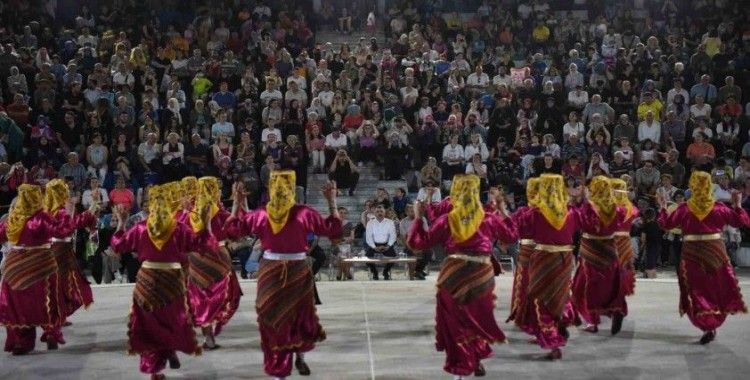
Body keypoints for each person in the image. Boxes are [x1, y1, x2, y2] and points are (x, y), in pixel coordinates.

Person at [226, 171, 342, 379]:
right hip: (285, 268)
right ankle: (286, 363)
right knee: (283, 315)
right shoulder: (301, 213)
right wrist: (331, 202)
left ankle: (294, 359)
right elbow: (332, 230)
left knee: (288, 315)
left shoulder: (265, 214)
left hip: (283, 269)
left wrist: (237, 204)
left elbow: (234, 229)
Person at [408, 174, 517, 379]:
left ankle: (462, 365)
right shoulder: (488, 217)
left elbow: (419, 243)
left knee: (457, 319)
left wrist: (417, 217)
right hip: (481, 274)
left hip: (454, 272)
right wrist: (503, 210)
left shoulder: (447, 219)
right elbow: (511, 236)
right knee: (476, 316)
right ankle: (474, 357)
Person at [110, 185, 216, 379]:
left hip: (147, 279)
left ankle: (155, 369)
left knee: (148, 323)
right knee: (171, 320)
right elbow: (204, 244)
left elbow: (117, 246)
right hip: (172, 280)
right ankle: (169, 350)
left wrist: (121, 224)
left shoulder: (140, 228)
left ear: (151, 206)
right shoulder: (179, 228)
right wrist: (206, 222)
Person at [656, 171, 749, 345]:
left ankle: (707, 324)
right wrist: (737, 205)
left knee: (696, 288)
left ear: (692, 186)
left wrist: (662, 207)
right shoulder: (719, 207)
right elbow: (740, 222)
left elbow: (666, 224)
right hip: (715, 251)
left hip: (692, 252)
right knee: (717, 286)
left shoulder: (684, 208)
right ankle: (714, 319)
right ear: (709, 186)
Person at [0, 184, 78, 354]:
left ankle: (21, 341)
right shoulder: (42, 217)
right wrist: (69, 213)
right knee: (46, 301)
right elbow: (62, 232)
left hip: (15, 267)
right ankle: (51, 332)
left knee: (18, 305)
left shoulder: (13, 218)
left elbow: (1, 235)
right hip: (41, 264)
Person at [516, 174, 585, 360]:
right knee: (561, 295)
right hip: (565, 258)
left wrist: (501, 210)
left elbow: (516, 228)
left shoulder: (536, 212)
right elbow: (586, 222)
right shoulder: (571, 211)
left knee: (539, 299)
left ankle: (553, 340)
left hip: (543, 259)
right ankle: (562, 320)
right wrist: (580, 199)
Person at [179, 177, 242, 350]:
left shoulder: (192, 215)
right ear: (214, 191)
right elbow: (235, 233)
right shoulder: (220, 213)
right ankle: (213, 326)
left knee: (200, 297)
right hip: (219, 257)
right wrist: (236, 207)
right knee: (224, 295)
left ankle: (208, 336)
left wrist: (185, 211)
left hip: (197, 259)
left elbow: (181, 236)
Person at [571, 176, 628, 335]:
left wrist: (575, 204)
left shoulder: (589, 208)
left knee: (582, 288)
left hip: (590, 251)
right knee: (610, 286)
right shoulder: (617, 208)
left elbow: (581, 223)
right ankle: (615, 310)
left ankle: (592, 321)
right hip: (609, 250)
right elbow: (622, 219)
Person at [44, 179, 97, 327]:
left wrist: (92, 204)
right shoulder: (61, 211)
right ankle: (56, 318)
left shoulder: (47, 211)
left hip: (55, 250)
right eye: (65, 191)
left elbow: (78, 221)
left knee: (58, 283)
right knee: (61, 284)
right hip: (60, 250)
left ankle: (57, 316)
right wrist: (90, 205)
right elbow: (75, 224)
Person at [507, 177, 540, 336]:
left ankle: (524, 314)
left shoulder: (522, 212)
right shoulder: (547, 213)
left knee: (525, 280)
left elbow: (510, 229)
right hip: (541, 252)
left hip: (527, 250)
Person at [610, 178, 640, 297]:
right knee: (621, 265)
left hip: (612, 240)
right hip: (624, 240)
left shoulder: (611, 207)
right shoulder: (632, 208)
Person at [365, 204, 398, 280]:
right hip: (374, 245)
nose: (379, 213)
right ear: (374, 213)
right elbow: (368, 237)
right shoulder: (370, 223)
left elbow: (393, 236)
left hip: (386, 245)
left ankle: (385, 271)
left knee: (394, 257)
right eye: (377, 211)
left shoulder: (390, 222)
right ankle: (375, 272)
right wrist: (374, 247)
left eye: (381, 211)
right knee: (367, 259)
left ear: (384, 212)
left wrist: (388, 246)